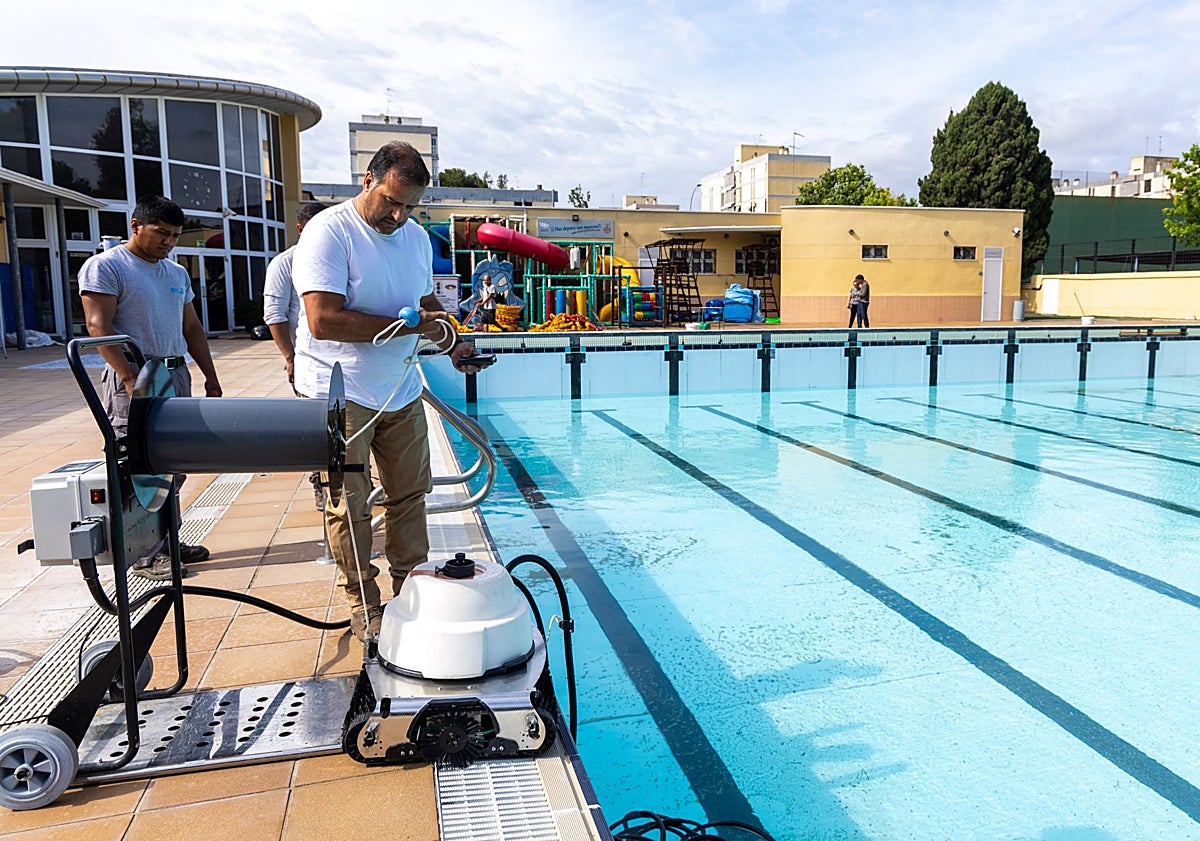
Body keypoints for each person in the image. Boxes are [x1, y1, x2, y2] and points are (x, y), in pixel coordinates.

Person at [291, 141, 485, 642]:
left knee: (409, 497)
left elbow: (421, 301)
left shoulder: (416, 237)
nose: (397, 216)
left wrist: (453, 341)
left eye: (409, 207)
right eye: (390, 202)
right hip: (341, 390)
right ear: (367, 181)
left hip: (400, 389)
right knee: (346, 502)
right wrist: (412, 329)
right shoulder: (329, 232)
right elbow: (323, 320)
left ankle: (411, 591)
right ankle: (364, 602)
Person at [79, 195, 222, 579]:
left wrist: (209, 375)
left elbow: (191, 328)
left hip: (174, 374)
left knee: (173, 463)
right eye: (161, 233)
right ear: (135, 225)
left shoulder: (175, 274)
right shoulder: (106, 268)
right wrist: (129, 379)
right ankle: (145, 553)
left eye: (175, 236)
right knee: (140, 464)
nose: (168, 242)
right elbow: (98, 327)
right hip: (135, 376)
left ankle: (169, 540)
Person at [263, 202, 331, 386]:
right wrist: (290, 358)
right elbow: (274, 315)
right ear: (300, 229)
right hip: (308, 362)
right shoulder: (285, 263)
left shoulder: (337, 259)